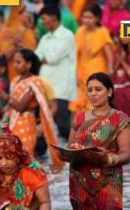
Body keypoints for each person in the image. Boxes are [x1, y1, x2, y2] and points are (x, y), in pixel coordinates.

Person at [60, 72, 130, 210]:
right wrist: (65, 155)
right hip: (79, 180)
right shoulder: (79, 117)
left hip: (107, 182)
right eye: (90, 90)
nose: (93, 94)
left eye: (98, 89)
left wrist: (108, 158)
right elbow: (71, 146)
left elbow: (126, 154)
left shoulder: (121, 120)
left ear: (110, 92)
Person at [5, 49, 63, 172]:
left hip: (28, 123)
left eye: (18, 62)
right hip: (12, 123)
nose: (14, 65)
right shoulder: (15, 81)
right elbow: (12, 105)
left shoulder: (37, 82)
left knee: (25, 157)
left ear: (29, 64)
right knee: (11, 158)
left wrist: (42, 126)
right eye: (14, 62)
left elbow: (51, 107)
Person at [35, 4, 77, 140]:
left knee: (63, 126)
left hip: (61, 88)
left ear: (53, 18)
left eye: (44, 18)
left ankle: (69, 156)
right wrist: (43, 58)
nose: (42, 22)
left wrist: (44, 57)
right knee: (47, 123)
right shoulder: (45, 37)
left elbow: (52, 58)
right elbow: (36, 58)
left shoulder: (67, 35)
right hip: (45, 86)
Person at [69, 3, 114, 113]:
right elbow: (75, 53)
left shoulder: (103, 31)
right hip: (81, 71)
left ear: (97, 18)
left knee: (95, 101)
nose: (86, 20)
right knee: (79, 106)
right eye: (84, 17)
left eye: (90, 17)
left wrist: (110, 68)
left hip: (97, 69)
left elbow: (109, 53)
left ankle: (95, 129)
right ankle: (81, 129)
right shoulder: (80, 31)